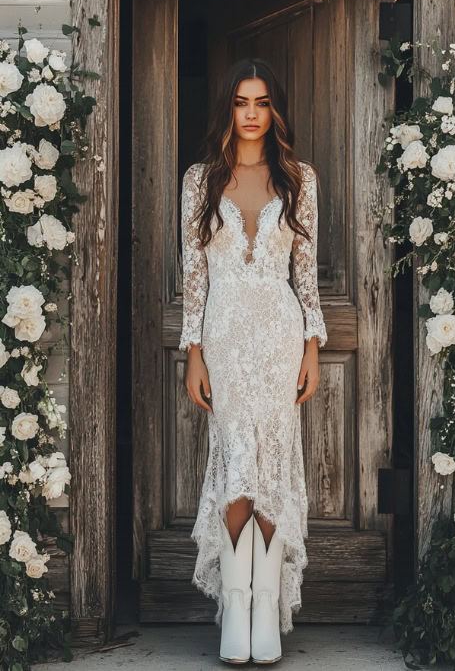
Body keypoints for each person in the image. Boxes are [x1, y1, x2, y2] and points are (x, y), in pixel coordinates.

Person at [179, 56, 328, 665]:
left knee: (271, 464)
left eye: (262, 102)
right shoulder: (200, 180)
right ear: (229, 107)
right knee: (236, 459)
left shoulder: (299, 178)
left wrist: (313, 347)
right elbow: (192, 275)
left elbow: (307, 275)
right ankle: (234, 607)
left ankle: (265, 606)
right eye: (242, 101)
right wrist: (193, 353)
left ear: (274, 110)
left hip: (278, 334)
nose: (251, 113)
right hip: (224, 335)